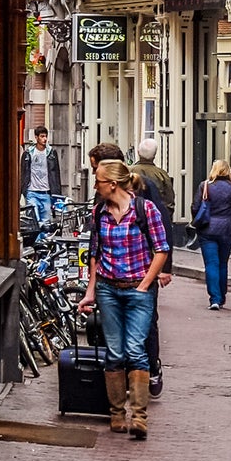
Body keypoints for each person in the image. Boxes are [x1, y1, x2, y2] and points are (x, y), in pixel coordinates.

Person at [78, 161, 170, 439]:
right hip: (108, 290)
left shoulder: (145, 209)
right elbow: (94, 254)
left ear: (113, 184)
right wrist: (91, 292)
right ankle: (117, 414)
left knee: (135, 349)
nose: (95, 186)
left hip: (138, 290)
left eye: (98, 181)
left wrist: (144, 285)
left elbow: (161, 249)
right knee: (115, 352)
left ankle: (139, 417)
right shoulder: (99, 213)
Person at [129, 139, 174, 396]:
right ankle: (148, 369)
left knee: (144, 320)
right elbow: (169, 205)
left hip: (141, 267)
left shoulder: (135, 179)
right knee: (147, 322)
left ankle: (144, 371)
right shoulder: (161, 176)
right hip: (141, 267)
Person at [195, 159, 231, 311]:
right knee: (223, 263)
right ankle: (221, 297)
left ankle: (214, 298)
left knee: (211, 264)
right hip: (226, 229)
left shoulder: (205, 186)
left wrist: (198, 221)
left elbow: (195, 207)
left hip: (207, 229)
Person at [21, 127, 61, 227]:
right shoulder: (28, 153)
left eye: (46, 136)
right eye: (42, 136)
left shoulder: (51, 153)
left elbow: (56, 174)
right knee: (34, 221)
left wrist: (57, 194)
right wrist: (22, 191)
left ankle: (42, 238)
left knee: (46, 223)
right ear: (36, 137)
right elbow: (23, 173)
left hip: (46, 193)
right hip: (31, 192)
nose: (45, 139)